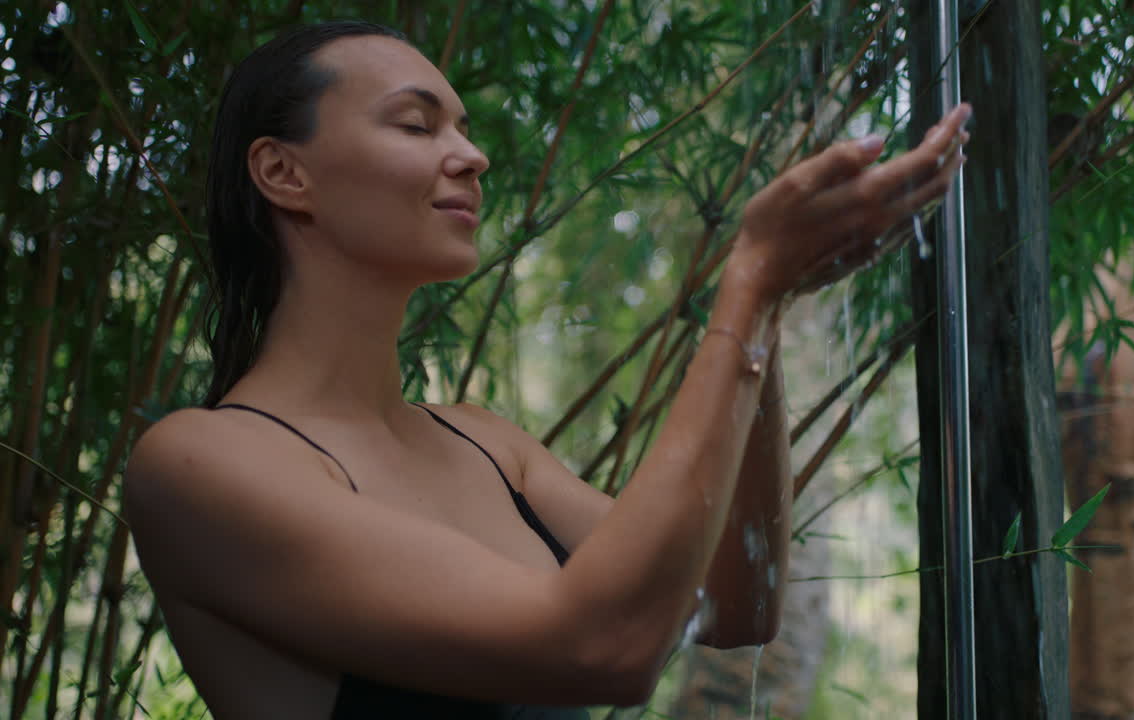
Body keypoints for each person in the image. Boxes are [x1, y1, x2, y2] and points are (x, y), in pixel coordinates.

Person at [123, 20, 970, 720]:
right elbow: (603, 651)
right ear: (284, 172)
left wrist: (768, 315)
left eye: (463, 127)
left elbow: (735, 604)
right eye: (417, 126)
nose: (472, 157)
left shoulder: (486, 441)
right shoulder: (200, 467)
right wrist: (744, 288)